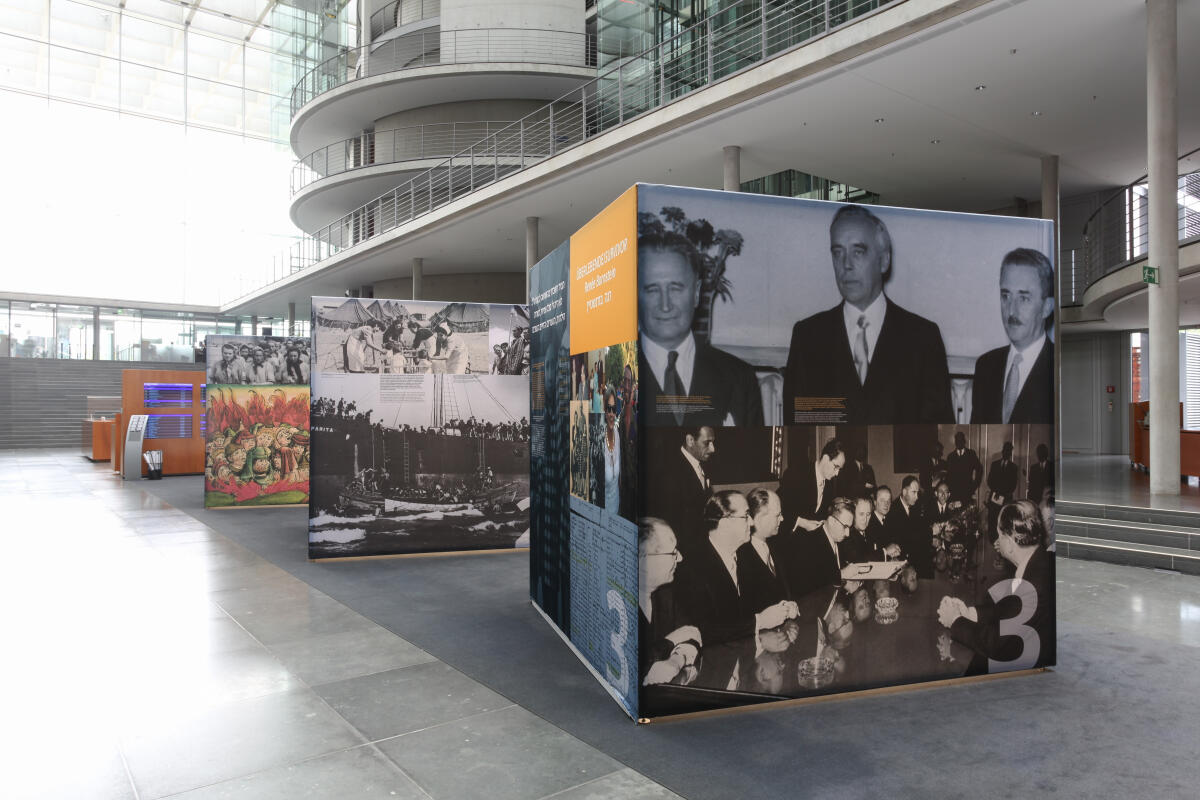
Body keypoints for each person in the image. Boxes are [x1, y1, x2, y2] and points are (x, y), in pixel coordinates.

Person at [782, 204, 954, 424]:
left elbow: (935, 430)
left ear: (884, 260)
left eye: (858, 252)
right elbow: (800, 423)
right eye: (838, 253)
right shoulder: (808, 337)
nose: (846, 265)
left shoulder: (922, 338)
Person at [636, 229, 763, 427]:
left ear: (696, 293)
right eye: (652, 290)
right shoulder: (607, 376)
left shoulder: (739, 378)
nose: (665, 305)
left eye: (676, 288)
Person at [672, 491, 798, 688]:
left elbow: (742, 614)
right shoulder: (694, 567)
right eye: (745, 516)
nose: (752, 522)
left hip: (740, 666)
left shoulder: (739, 557)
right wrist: (760, 622)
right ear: (724, 522)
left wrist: (777, 613)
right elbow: (703, 632)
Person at [938, 499, 1055, 672]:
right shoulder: (1037, 562)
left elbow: (997, 644)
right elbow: (1010, 609)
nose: (998, 541)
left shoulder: (1033, 583)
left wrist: (955, 621)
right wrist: (970, 613)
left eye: (999, 535)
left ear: (1008, 542)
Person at [971, 248, 1055, 424]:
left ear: (1047, 307)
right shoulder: (985, 366)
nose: (1011, 310)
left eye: (1024, 298)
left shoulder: (1058, 368)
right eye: (1005, 296)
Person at [638, 518, 702, 687]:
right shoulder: (616, 596)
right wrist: (671, 641)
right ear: (644, 561)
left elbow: (692, 634)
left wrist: (676, 661)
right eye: (673, 552)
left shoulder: (665, 594)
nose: (680, 558)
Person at [644, 426, 716, 555]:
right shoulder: (669, 470)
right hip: (683, 551)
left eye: (713, 443)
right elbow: (670, 519)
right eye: (707, 443)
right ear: (690, 440)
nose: (712, 449)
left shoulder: (702, 463)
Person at [781, 496, 855, 598]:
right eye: (845, 527)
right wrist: (841, 575)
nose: (847, 534)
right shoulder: (809, 541)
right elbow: (807, 585)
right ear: (832, 521)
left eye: (849, 528)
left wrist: (845, 582)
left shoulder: (837, 538)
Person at [735, 489, 792, 616]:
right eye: (777, 515)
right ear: (760, 518)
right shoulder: (740, 556)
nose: (782, 519)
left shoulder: (777, 545)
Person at [778, 437, 845, 533]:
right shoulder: (797, 473)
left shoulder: (830, 484)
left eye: (840, 469)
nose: (837, 473)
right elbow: (780, 507)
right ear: (826, 458)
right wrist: (801, 522)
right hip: (789, 536)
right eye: (836, 467)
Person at [885, 475, 933, 577]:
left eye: (917, 493)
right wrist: (931, 532)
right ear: (904, 492)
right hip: (900, 563)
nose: (917, 497)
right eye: (914, 492)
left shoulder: (914, 507)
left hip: (912, 558)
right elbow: (907, 538)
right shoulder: (893, 510)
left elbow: (919, 528)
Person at [986, 442, 1020, 540]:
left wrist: (1002, 494)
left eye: (1008, 451)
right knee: (992, 521)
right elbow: (989, 480)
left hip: (1006, 499)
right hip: (994, 499)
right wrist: (996, 491)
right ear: (1002, 451)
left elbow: (1013, 486)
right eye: (1005, 450)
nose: (1006, 453)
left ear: (1010, 453)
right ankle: (992, 540)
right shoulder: (994, 464)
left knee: (1004, 522)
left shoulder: (1014, 467)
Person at [945, 431, 983, 505]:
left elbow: (979, 469)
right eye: (957, 440)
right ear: (955, 442)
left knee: (967, 513)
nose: (959, 442)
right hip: (954, 493)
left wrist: (975, 485)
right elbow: (948, 475)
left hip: (968, 491)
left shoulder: (971, 454)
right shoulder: (950, 456)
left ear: (964, 441)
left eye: (961, 440)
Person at [843, 495, 879, 564]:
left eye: (868, 514)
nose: (865, 519)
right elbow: (859, 560)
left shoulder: (870, 531)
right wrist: (885, 552)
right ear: (852, 514)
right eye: (861, 514)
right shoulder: (847, 535)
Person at [602, 388, 621, 516]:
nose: (611, 414)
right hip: (602, 516)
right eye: (608, 409)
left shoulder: (617, 434)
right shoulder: (598, 439)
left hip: (617, 511)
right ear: (604, 410)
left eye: (613, 409)